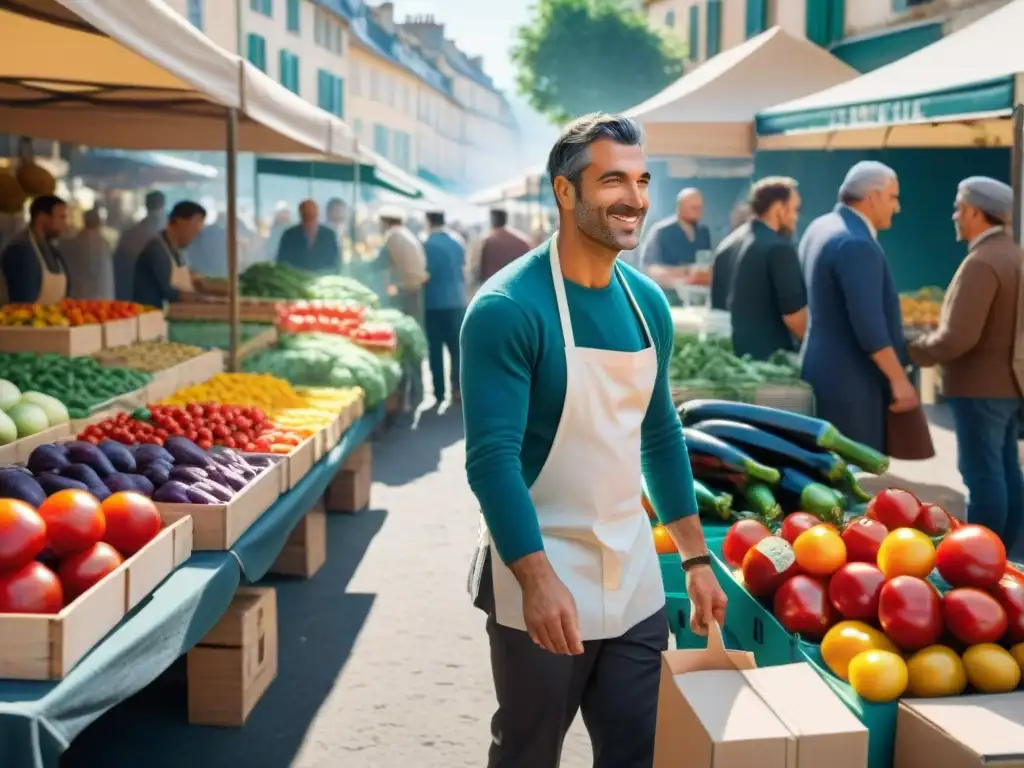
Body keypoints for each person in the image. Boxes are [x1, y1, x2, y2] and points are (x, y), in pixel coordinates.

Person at [462, 113, 727, 767]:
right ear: (565, 191)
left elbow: (660, 434)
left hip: (633, 572)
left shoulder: (647, 304)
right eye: (613, 180)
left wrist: (694, 559)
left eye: (641, 180)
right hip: (542, 573)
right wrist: (537, 578)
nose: (634, 198)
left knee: (638, 750)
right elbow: (491, 460)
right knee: (529, 752)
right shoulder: (507, 311)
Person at [909, 177, 1023, 551]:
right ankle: (1011, 553)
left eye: (959, 208)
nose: (955, 216)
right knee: (1005, 471)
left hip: (979, 388)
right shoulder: (1013, 254)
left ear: (975, 212)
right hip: (1006, 386)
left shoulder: (982, 261)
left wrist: (910, 349)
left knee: (983, 474)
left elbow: (957, 338)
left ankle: (983, 555)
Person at [799, 161, 916, 453]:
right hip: (852, 384)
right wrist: (900, 380)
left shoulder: (820, 226)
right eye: (892, 197)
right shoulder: (855, 243)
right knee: (851, 476)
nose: (897, 207)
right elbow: (870, 327)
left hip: (821, 368)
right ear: (873, 197)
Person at [724, 177, 807, 360]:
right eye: (794, 209)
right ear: (779, 208)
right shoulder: (780, 248)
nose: (796, 217)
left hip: (733, 359)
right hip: (772, 362)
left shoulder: (728, 245)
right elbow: (795, 317)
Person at [421, 211, 467, 404]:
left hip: (433, 302)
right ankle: (458, 388)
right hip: (457, 301)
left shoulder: (426, 244)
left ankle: (439, 392)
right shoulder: (457, 242)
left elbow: (424, 273)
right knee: (457, 349)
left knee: (435, 349)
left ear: (428, 222)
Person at [640, 187, 712, 303]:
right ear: (680, 207)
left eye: (700, 207)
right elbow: (650, 269)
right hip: (668, 296)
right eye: (694, 207)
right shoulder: (661, 232)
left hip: (698, 297)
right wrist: (687, 272)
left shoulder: (703, 232)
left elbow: (706, 264)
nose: (698, 211)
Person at [133, 200, 206, 309]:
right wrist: (204, 299)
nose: (196, 234)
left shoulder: (174, 251)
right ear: (180, 222)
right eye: (195, 225)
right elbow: (171, 293)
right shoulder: (156, 250)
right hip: (152, 315)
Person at [0, 194, 72, 304]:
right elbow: (22, 299)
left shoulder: (53, 251)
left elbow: (67, 292)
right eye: (62, 217)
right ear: (42, 217)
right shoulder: (20, 251)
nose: (66, 224)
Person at [375, 205, 429, 324]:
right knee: (414, 324)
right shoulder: (405, 233)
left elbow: (380, 262)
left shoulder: (393, 235)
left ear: (385, 222)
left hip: (405, 288)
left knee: (404, 324)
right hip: (415, 286)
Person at [465, 208, 532, 295]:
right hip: (517, 290)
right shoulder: (522, 240)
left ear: (491, 220)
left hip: (491, 289)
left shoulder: (485, 241)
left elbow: (475, 268)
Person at [114, 190, 165, 301]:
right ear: (162, 206)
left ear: (146, 205)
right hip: (153, 294)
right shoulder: (167, 233)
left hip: (128, 290)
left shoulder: (130, 233)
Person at [276, 200, 341, 274]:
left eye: (312, 215)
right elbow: (282, 263)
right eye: (306, 215)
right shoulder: (289, 235)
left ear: (317, 214)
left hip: (324, 280)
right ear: (301, 215)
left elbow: (335, 264)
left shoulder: (329, 235)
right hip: (295, 280)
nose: (309, 219)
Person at [63, 208, 115, 300]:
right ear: (99, 222)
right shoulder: (103, 243)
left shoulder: (70, 243)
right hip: (100, 296)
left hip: (76, 295)